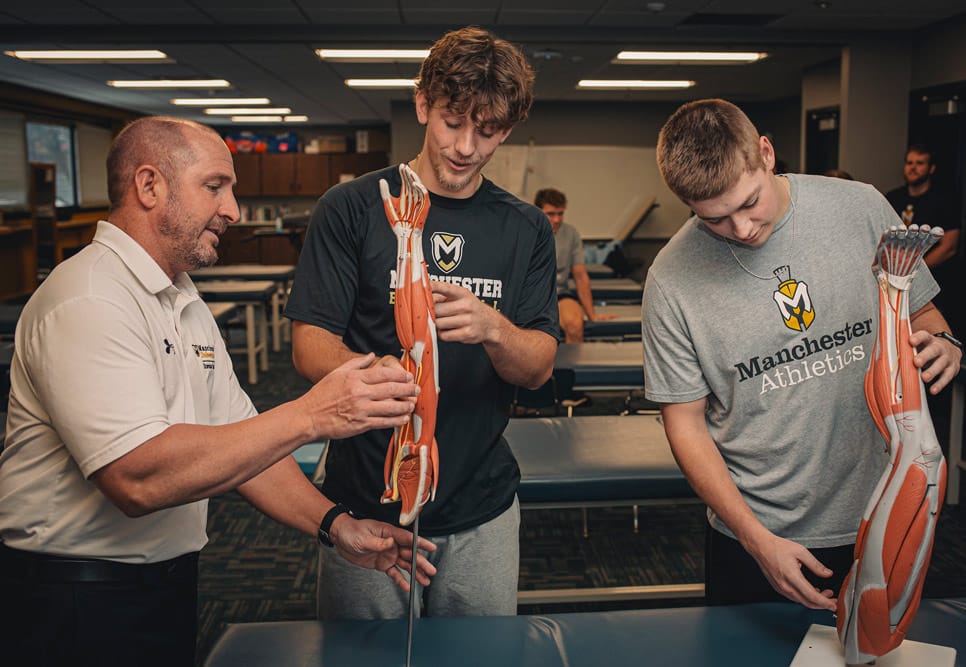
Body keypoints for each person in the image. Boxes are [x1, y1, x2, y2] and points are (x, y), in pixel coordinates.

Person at [0, 116, 436, 666]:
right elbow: (137, 477)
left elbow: (246, 448)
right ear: (149, 185)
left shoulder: (180, 300)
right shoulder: (90, 299)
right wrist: (310, 416)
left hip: (160, 584)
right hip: (73, 598)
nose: (232, 209)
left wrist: (335, 525)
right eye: (215, 187)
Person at [642, 99, 962, 611]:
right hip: (758, 530)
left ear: (766, 153)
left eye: (749, 203)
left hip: (882, 506)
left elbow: (922, 313)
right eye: (716, 219)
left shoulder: (860, 207)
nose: (742, 229)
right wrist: (754, 540)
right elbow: (684, 425)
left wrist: (944, 343)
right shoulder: (670, 278)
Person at [285, 26, 559, 621]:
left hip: (480, 503)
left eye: (487, 132)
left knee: (480, 660)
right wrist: (374, 371)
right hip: (365, 502)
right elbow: (310, 347)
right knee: (363, 657)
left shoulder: (525, 228)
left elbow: (538, 368)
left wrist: (494, 328)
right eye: (452, 122)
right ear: (422, 105)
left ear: (506, 130)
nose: (465, 146)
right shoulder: (352, 207)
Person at [884, 144, 961, 319]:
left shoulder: (944, 200)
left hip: (935, 282)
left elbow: (949, 246)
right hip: (896, 281)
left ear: (931, 168)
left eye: (919, 163)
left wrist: (915, 269)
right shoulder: (893, 197)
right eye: (909, 162)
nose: (913, 167)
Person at [534, 187, 615, 343]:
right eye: (551, 214)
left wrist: (592, 315)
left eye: (560, 213)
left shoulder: (571, 234)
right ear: (538, 211)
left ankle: (572, 368)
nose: (557, 219)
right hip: (532, 294)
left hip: (559, 294)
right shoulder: (526, 231)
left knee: (575, 325)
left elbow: (580, 276)